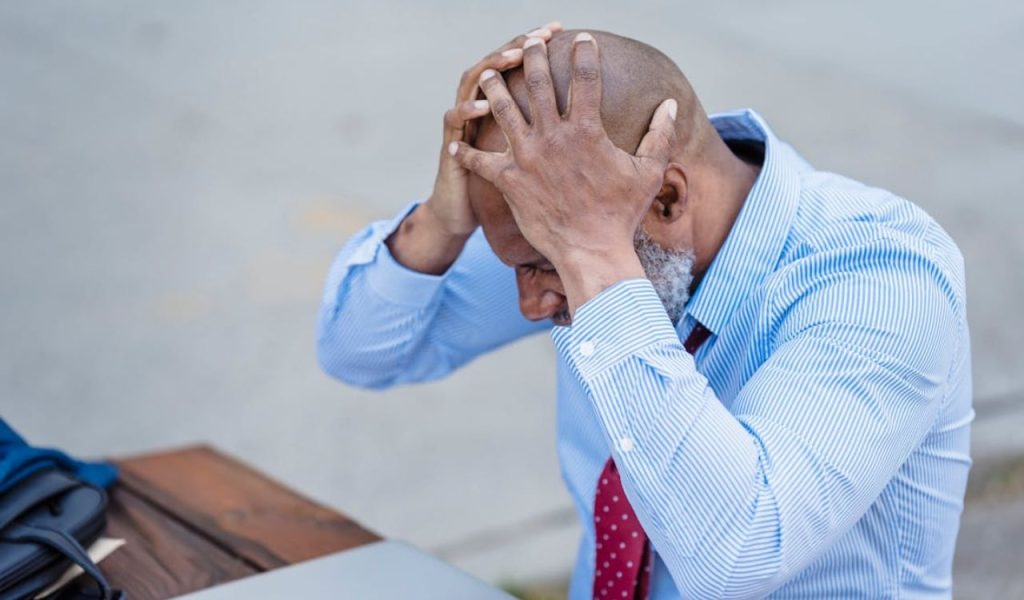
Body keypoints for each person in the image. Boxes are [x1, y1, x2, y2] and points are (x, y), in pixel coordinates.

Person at [316, 24, 972, 599]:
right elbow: (361, 352)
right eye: (526, 262)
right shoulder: (555, 229)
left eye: (545, 266)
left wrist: (593, 259)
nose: (532, 303)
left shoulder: (882, 275)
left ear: (664, 200)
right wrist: (439, 224)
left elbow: (737, 555)